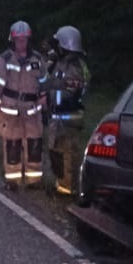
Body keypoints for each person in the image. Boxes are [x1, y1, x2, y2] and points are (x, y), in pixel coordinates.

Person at [0, 20, 47, 187]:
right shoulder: (4, 60)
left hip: (32, 111)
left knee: (34, 144)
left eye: (25, 39)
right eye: (19, 40)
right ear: (12, 40)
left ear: (29, 39)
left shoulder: (37, 59)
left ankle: (33, 179)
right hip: (10, 109)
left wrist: (44, 96)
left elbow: (44, 81)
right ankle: (12, 179)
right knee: (12, 145)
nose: (22, 43)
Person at [45, 24, 90, 195]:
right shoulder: (62, 63)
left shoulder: (75, 68)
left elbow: (68, 94)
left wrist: (53, 98)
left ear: (65, 45)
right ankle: (61, 185)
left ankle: (67, 188)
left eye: (57, 44)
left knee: (67, 153)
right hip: (59, 116)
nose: (55, 47)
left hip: (69, 116)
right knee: (55, 150)